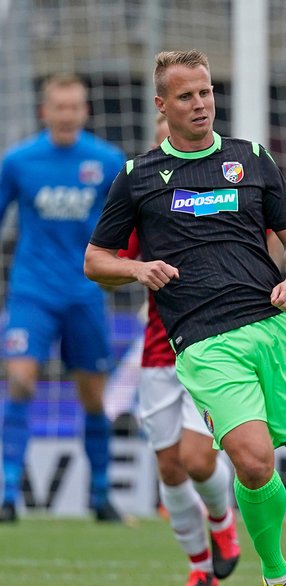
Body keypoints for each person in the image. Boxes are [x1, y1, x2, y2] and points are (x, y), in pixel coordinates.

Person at [84, 49, 286, 586]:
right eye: (186, 96)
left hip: (275, 326)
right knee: (254, 463)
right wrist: (137, 268)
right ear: (162, 106)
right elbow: (95, 261)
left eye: (205, 92)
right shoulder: (138, 176)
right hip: (205, 342)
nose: (200, 104)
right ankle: (277, 579)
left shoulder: (251, 160)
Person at [117, 113, 240, 586]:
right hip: (157, 350)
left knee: (197, 458)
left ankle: (222, 521)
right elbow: (108, 262)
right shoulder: (142, 200)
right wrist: (135, 270)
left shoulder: (218, 198)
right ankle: (199, 566)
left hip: (211, 345)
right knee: (168, 466)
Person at [0, 73, 125, 523]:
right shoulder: (18, 161)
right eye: (60, 107)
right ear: (45, 111)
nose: (68, 114)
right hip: (32, 290)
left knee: (93, 397)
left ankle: (100, 494)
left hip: (84, 293)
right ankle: (7, 493)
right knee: (20, 381)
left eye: (75, 107)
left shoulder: (108, 161)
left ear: (85, 111)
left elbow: (125, 226)